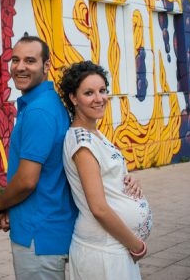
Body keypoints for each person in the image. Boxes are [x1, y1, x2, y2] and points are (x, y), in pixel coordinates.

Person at [0, 35, 142, 279]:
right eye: (15, 60)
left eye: (30, 60)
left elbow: (27, 180)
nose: (20, 67)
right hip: (51, 228)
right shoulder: (50, 102)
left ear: (47, 66)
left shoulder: (39, 111)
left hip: (38, 235)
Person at [59, 61, 153, 279]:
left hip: (113, 248)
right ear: (73, 98)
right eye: (89, 93)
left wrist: (127, 181)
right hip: (104, 252)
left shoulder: (95, 134)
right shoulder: (82, 143)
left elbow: (106, 176)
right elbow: (98, 208)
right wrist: (136, 246)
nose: (99, 98)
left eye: (102, 90)